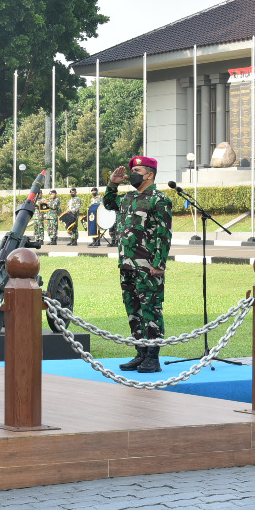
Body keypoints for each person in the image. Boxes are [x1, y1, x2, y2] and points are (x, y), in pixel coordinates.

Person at [104, 156, 173, 373]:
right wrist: (113, 183)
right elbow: (108, 203)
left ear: (150, 174)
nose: (133, 174)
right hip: (126, 264)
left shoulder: (159, 200)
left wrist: (159, 264)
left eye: (138, 170)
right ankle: (140, 352)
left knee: (150, 310)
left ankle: (153, 357)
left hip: (148, 265)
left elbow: (164, 234)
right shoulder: (128, 198)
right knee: (133, 310)